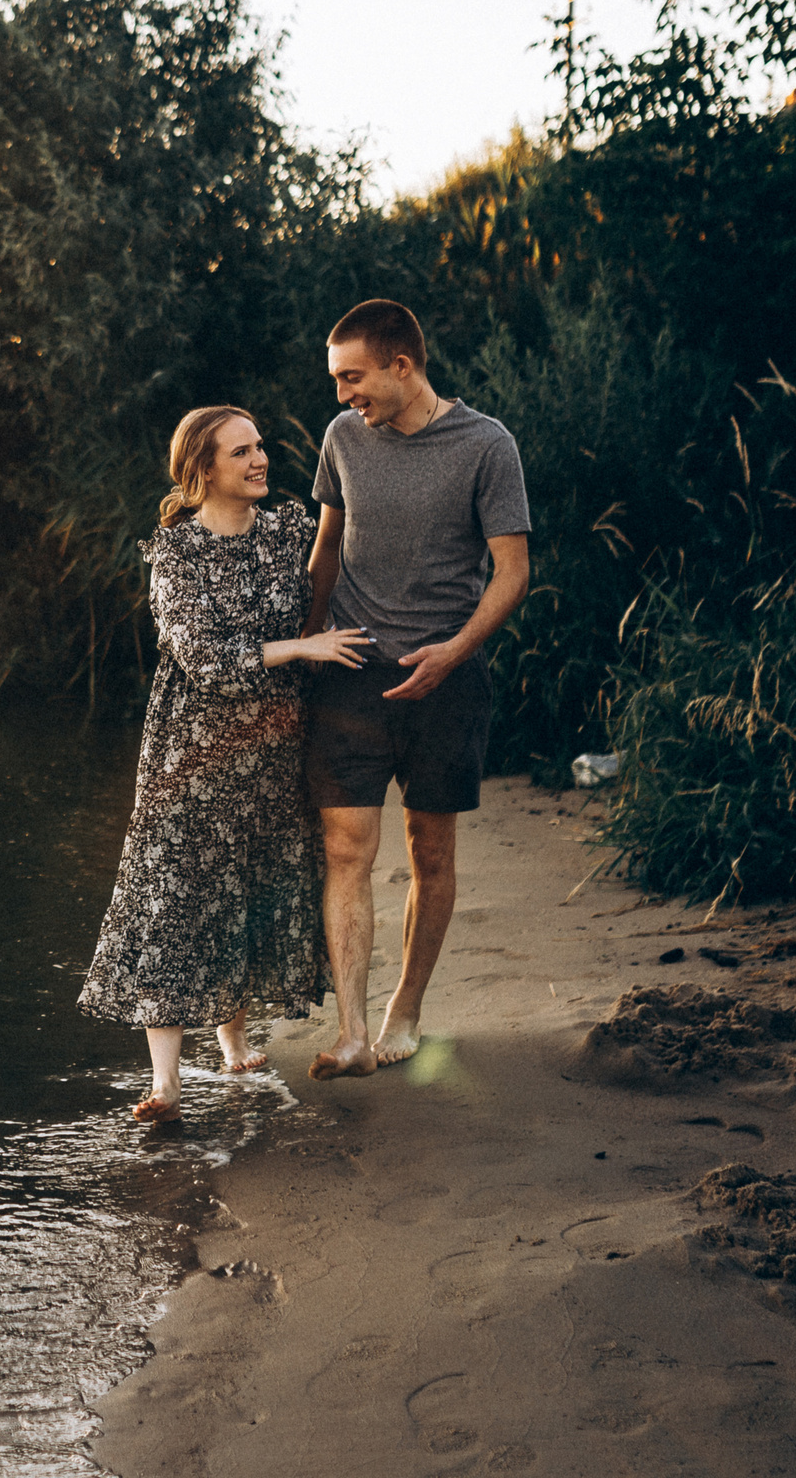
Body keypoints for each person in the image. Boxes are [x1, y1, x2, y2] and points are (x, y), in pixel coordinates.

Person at [79, 404, 375, 1122]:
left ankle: (234, 1045)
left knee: (244, 897)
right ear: (203, 469)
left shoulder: (286, 533)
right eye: (241, 452)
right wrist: (300, 650)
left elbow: (338, 582)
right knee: (176, 903)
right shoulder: (174, 551)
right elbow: (205, 658)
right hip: (192, 754)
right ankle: (167, 1086)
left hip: (273, 754)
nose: (259, 459)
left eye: (260, 445)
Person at [301, 300, 531, 1081]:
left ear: (402, 365)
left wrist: (456, 652)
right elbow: (325, 553)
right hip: (352, 674)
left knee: (429, 851)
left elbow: (513, 572)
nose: (343, 396)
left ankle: (405, 1012)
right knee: (345, 850)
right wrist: (308, 653)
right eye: (337, 380)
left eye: (352, 377)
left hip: (447, 682)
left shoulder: (486, 445)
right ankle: (352, 1031)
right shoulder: (342, 441)